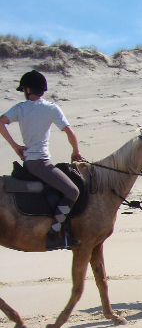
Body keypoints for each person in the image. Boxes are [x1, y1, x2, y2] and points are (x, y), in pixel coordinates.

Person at [0, 70, 83, 250]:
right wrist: (75, 151)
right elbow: (70, 133)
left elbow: (1, 122)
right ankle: (54, 234)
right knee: (72, 191)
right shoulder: (51, 108)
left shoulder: (20, 108)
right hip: (40, 163)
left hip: (29, 162)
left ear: (27, 89)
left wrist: (15, 146)